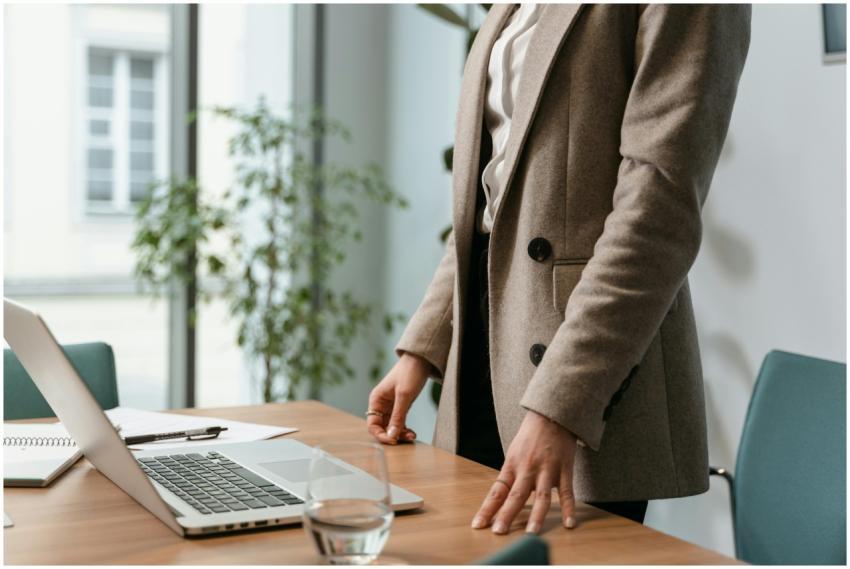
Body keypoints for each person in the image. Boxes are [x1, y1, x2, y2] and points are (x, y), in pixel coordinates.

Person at [367, 4, 751, 535]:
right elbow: (493, 205)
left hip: (581, 361)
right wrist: (425, 345)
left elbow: (658, 209)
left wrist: (562, 403)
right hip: (485, 346)